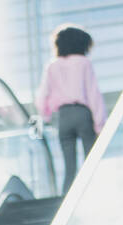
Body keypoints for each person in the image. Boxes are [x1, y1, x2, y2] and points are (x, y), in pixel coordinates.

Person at [35, 24, 106, 194]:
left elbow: (42, 95)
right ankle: (93, 193)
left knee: (69, 167)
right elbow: (93, 93)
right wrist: (100, 124)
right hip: (83, 114)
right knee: (91, 161)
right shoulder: (84, 63)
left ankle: (64, 201)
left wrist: (45, 117)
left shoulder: (52, 66)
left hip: (63, 117)